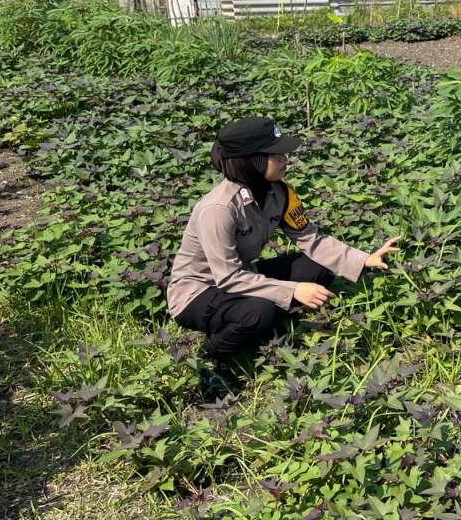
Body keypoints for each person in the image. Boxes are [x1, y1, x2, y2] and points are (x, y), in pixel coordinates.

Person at [168, 116, 399, 395]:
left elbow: (310, 238)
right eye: (274, 154)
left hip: (244, 277)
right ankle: (211, 356)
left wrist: (363, 259)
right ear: (248, 160)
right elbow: (227, 278)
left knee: (317, 266)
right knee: (260, 310)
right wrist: (293, 290)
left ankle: (269, 325)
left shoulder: (280, 191)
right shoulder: (218, 209)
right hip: (200, 291)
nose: (284, 158)